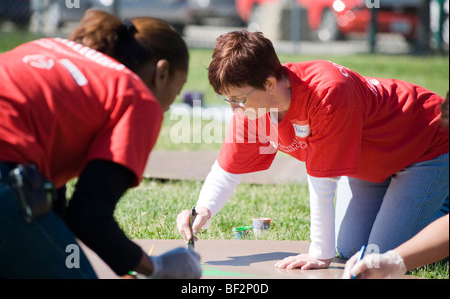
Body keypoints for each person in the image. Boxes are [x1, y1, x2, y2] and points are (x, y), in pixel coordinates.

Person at [177, 30, 449, 271]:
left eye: (239, 99)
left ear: (270, 85)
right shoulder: (251, 109)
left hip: (425, 145)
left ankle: (442, 204)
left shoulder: (328, 92)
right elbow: (227, 170)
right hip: (374, 165)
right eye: (228, 100)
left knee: (383, 256)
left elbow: (322, 182)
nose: (235, 109)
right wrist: (203, 210)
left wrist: (320, 253)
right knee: (353, 250)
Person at [0, 9, 201, 279]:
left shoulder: (55, 46)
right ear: (161, 72)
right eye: (176, 92)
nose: (168, 107)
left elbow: (53, 212)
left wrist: (124, 263)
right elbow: (88, 216)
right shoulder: (136, 97)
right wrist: (156, 268)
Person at [342, 92, 449, 279]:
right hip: (404, 146)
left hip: (430, 154)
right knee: (348, 248)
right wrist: (394, 261)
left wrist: (395, 259)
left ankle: (439, 198)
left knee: (382, 249)